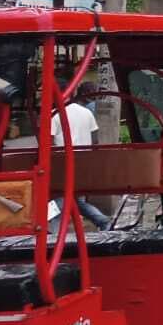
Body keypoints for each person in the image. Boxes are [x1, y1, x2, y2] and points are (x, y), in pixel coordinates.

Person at [50, 82, 110, 229]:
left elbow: (49, 142)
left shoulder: (55, 114)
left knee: (59, 198)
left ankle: (53, 232)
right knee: (77, 199)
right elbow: (95, 140)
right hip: (84, 161)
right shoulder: (86, 113)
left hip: (63, 162)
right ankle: (102, 221)